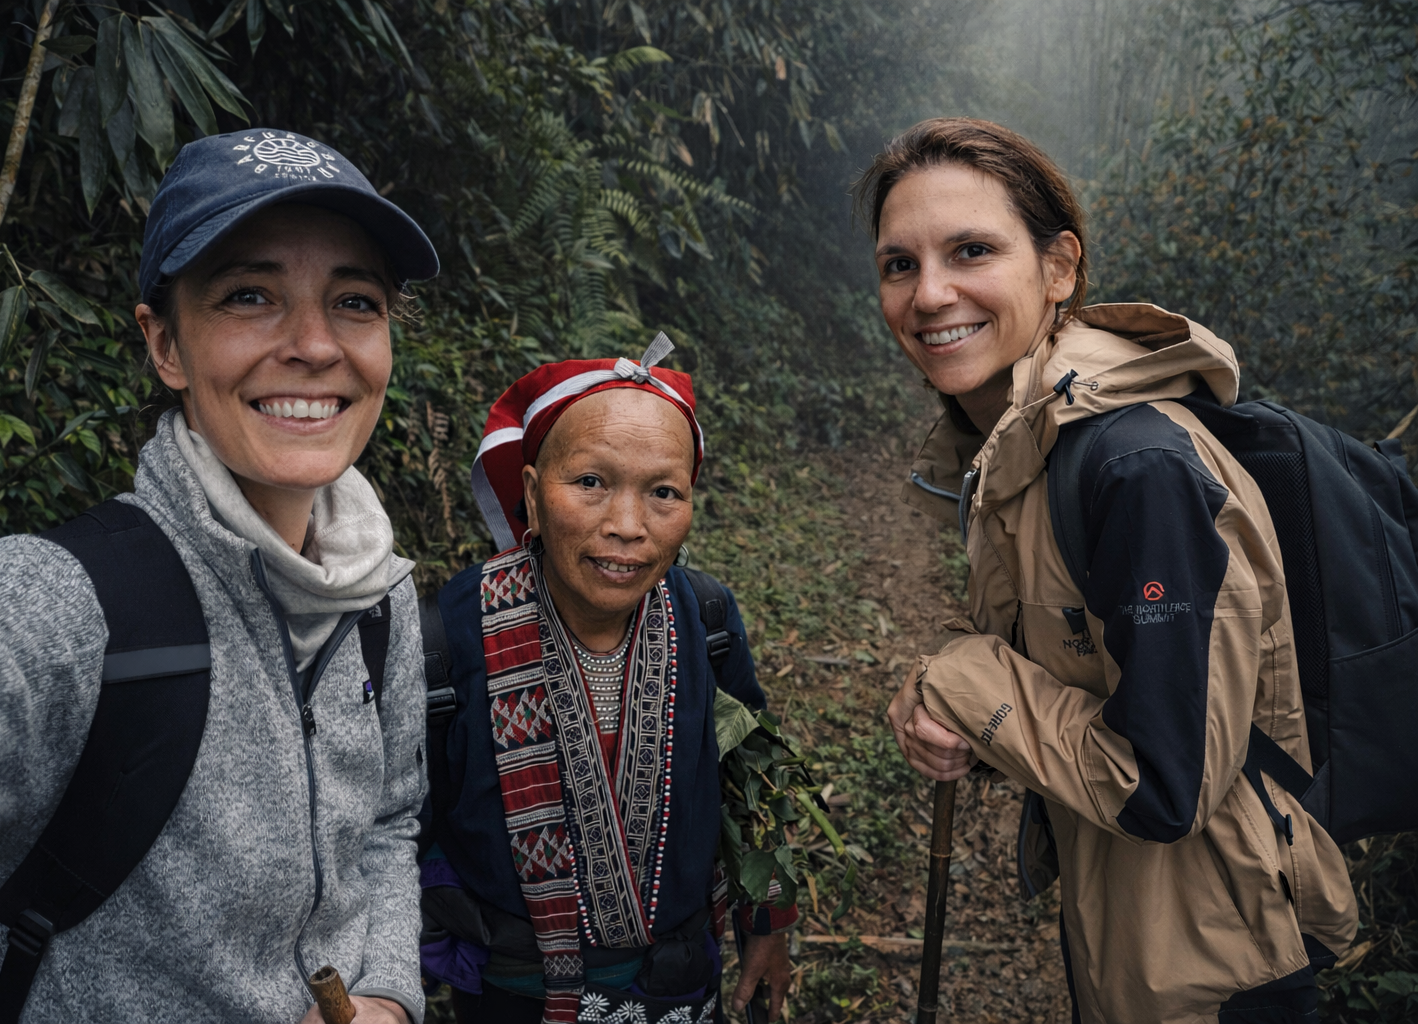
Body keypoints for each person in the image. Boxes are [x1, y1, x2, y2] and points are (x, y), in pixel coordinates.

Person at [0, 130, 437, 1023]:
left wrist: (385, 993)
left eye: (356, 301)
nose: (312, 343)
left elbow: (389, 820)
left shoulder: (379, 597)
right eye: (249, 295)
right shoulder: (67, 609)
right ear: (165, 345)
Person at [863, 118, 1357, 1023]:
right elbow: (1073, 679)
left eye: (971, 250)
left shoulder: (1135, 467)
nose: (930, 294)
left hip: (1219, 967)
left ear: (1059, 270)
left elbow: (1164, 785)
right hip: (1130, 935)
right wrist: (972, 717)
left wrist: (964, 679)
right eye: (901, 264)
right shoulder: (1020, 448)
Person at [417, 338, 794, 1024]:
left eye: (663, 493)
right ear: (532, 492)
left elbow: (750, 784)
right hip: (511, 1001)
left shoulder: (705, 619)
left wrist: (766, 924)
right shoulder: (446, 638)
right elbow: (393, 831)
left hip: (680, 989)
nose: (627, 527)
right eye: (590, 482)